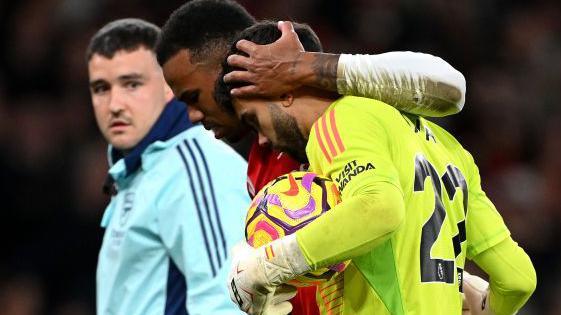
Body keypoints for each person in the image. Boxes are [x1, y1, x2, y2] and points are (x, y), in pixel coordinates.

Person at [156, 1, 467, 314]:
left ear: (237, 65)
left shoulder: (354, 112)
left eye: (193, 97)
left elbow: (449, 86)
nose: (193, 116)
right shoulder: (261, 160)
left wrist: (302, 66)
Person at [216, 21, 537, 315]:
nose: (259, 139)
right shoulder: (449, 147)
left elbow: (380, 208)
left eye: (253, 120)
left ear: (284, 92)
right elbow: (518, 277)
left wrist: (268, 266)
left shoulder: (337, 122)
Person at [86, 18, 250, 314]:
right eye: (101, 88)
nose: (114, 104)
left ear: (168, 85)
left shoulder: (196, 168)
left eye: (131, 84)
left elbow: (228, 301)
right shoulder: (138, 171)